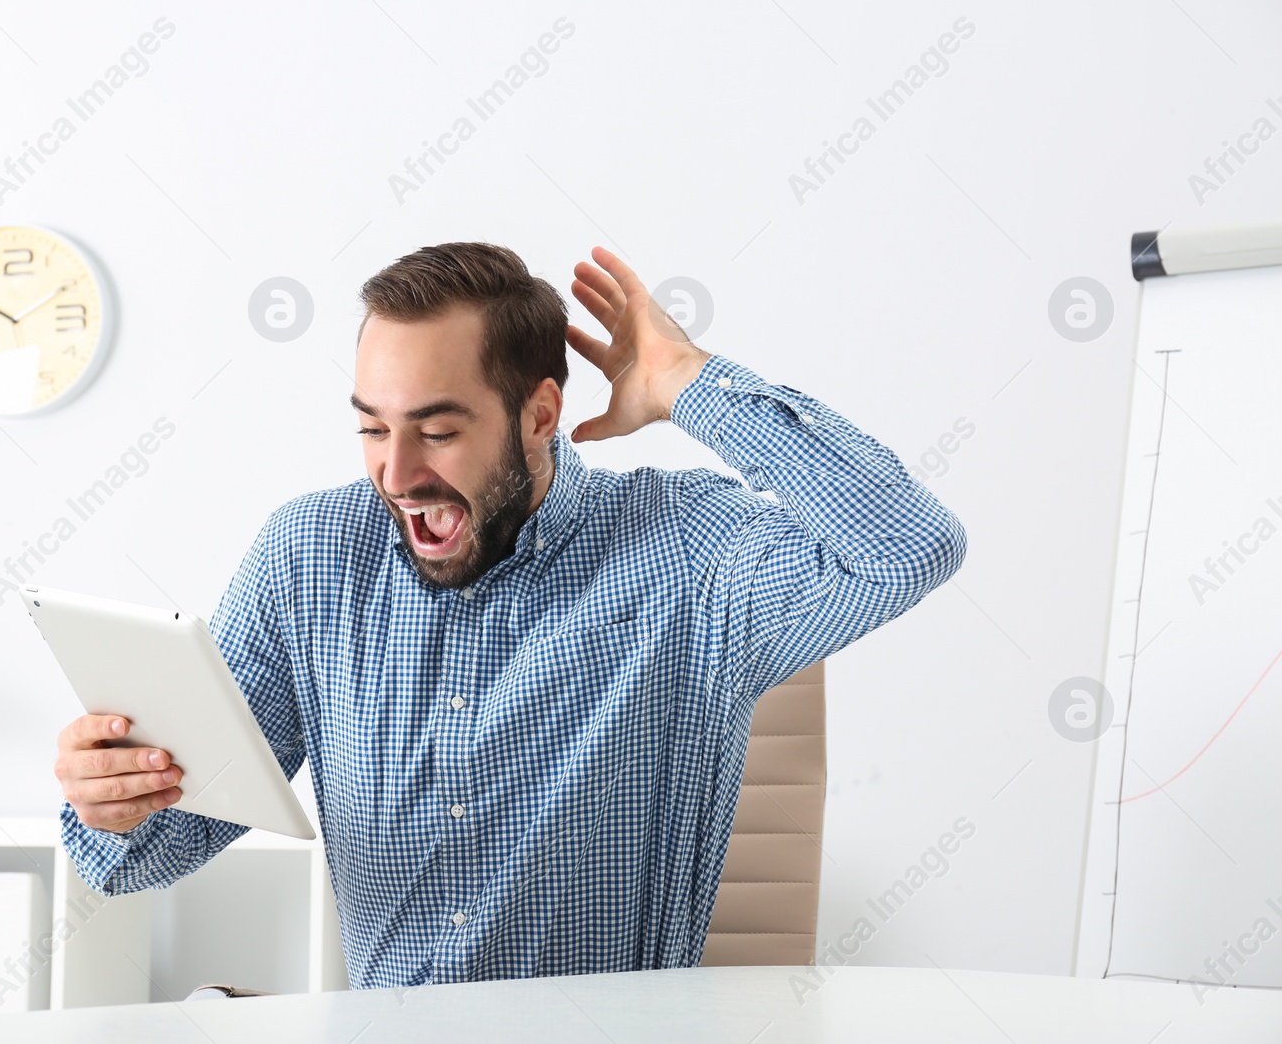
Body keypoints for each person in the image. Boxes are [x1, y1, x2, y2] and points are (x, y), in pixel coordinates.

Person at [53, 243, 966, 988]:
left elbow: (907, 545)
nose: (398, 474)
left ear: (540, 414)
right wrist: (114, 803)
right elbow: (143, 860)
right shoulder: (310, 560)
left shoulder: (686, 551)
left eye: (439, 430)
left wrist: (689, 381)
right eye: (374, 427)